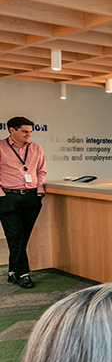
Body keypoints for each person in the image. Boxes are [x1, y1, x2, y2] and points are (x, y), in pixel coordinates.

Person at [0, 116, 46, 289]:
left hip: (31, 197)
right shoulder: (1, 147)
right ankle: (24, 274)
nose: (29, 135)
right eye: (25, 131)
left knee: (22, 237)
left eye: (30, 132)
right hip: (8, 198)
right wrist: (1, 196)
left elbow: (41, 171)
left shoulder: (36, 149)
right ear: (12, 130)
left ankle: (13, 271)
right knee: (16, 236)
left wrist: (39, 191)